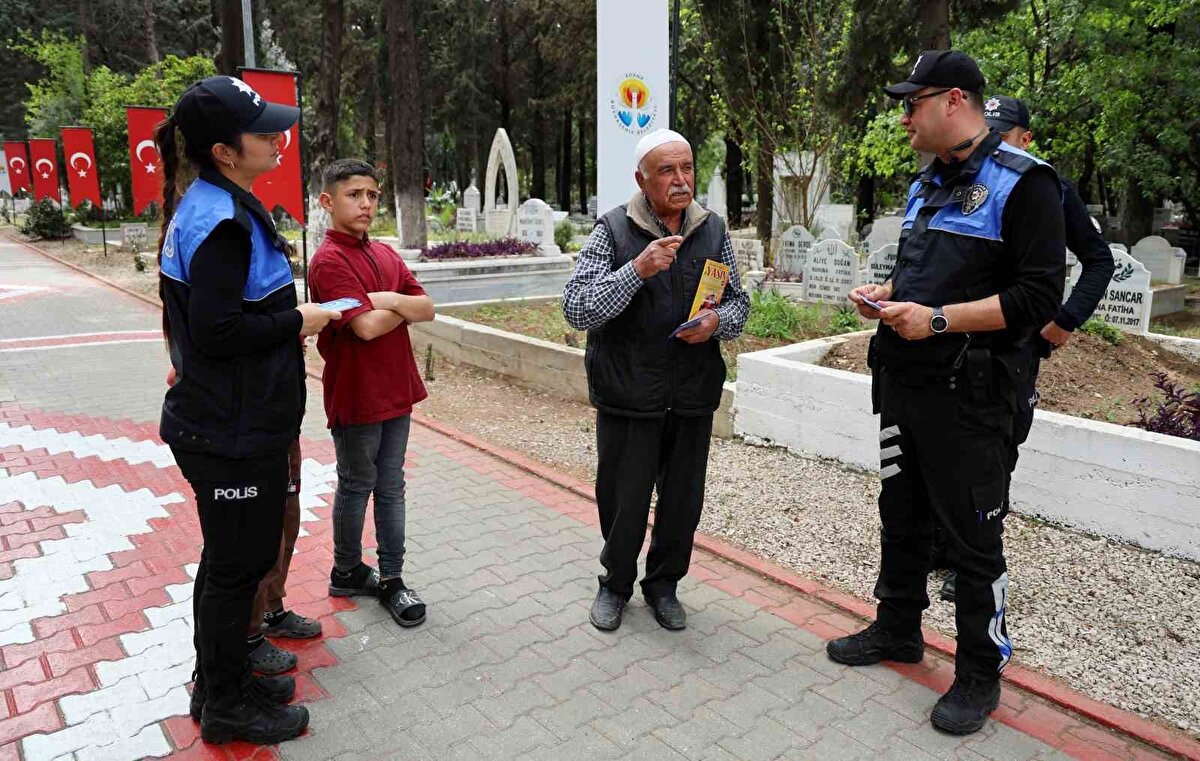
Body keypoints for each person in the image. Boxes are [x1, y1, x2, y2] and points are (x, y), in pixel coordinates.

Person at [828, 51, 1066, 735]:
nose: (903, 116)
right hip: (904, 385)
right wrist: (889, 296)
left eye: (913, 103)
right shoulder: (923, 184)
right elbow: (930, 277)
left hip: (972, 395)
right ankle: (897, 626)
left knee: (972, 539)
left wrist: (935, 320)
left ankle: (978, 672)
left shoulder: (1026, 185)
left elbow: (1036, 298)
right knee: (900, 513)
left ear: (954, 100)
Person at [156, 75, 341, 745]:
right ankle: (227, 703)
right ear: (225, 151)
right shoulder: (222, 223)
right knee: (237, 564)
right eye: (263, 131)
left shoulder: (214, 202)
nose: (277, 138)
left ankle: (221, 677)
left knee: (232, 559)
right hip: (229, 430)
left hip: (233, 421)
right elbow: (217, 332)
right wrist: (300, 319)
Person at [563, 129, 750, 632]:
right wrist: (636, 271)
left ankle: (664, 585)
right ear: (641, 178)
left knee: (683, 501)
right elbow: (577, 307)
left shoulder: (712, 230)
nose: (681, 180)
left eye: (686, 168)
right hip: (630, 392)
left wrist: (716, 324)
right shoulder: (613, 230)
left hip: (691, 393)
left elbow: (739, 303)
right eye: (667, 171)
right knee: (623, 500)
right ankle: (615, 585)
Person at [937, 95, 1116, 602]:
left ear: (1025, 137)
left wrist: (1062, 323)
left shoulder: (1049, 188)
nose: (992, 140)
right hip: (956, 344)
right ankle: (945, 544)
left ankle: (977, 553)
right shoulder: (963, 181)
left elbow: (1097, 260)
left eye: (1004, 131)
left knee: (994, 452)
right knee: (947, 444)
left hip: (1012, 351)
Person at [308, 159, 435, 628]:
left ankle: (392, 578)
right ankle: (346, 569)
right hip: (357, 395)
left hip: (396, 391)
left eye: (372, 195)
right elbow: (363, 328)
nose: (365, 203)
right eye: (353, 194)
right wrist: (397, 306)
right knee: (359, 484)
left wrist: (390, 301)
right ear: (328, 202)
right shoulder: (328, 261)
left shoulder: (383, 253)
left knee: (391, 486)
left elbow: (427, 307)